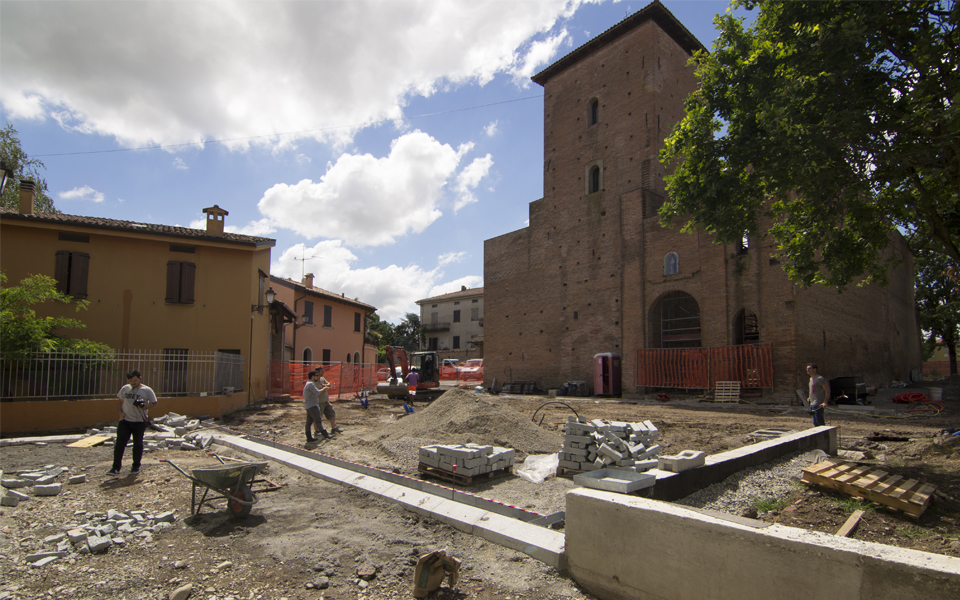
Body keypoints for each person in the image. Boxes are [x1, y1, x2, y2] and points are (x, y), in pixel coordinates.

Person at [109, 369, 157, 476]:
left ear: (140, 378)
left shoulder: (147, 390)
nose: (133, 383)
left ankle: (136, 466)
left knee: (137, 444)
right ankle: (115, 468)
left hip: (139, 421)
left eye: (135, 380)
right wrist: (120, 413)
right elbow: (120, 400)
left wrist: (144, 407)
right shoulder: (125, 389)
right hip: (125, 421)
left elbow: (154, 403)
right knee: (120, 444)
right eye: (130, 381)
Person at [303, 368, 339, 442]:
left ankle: (309, 437)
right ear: (313, 376)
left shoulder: (309, 383)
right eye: (316, 375)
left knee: (309, 422)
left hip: (309, 405)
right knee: (318, 420)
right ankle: (325, 434)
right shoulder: (311, 384)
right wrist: (325, 388)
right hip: (312, 405)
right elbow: (317, 392)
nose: (317, 377)